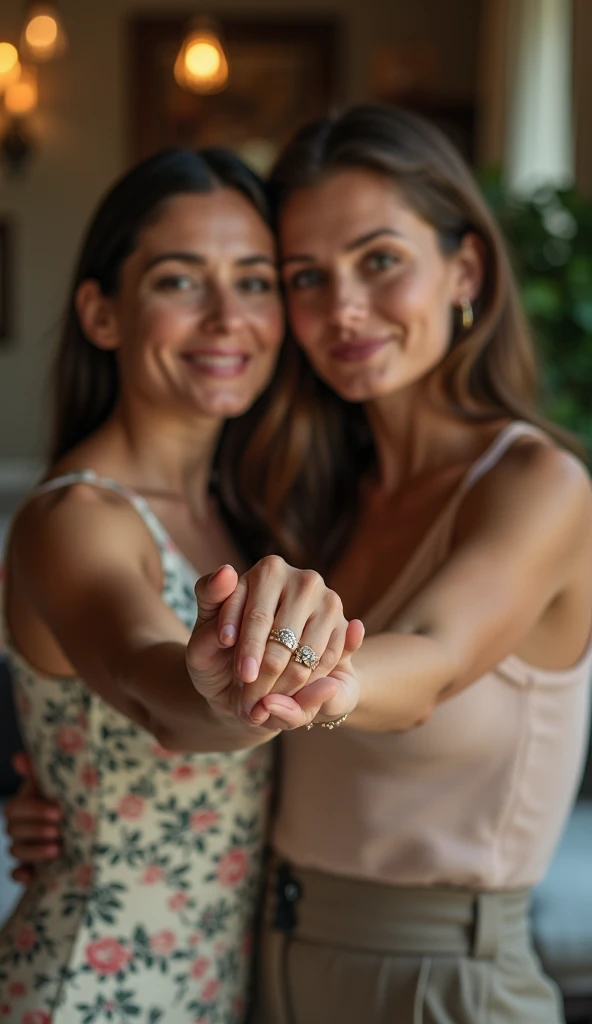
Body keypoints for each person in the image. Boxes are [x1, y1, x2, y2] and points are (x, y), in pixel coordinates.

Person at [8, 105, 592, 1023]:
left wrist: (303, 683)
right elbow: (141, 684)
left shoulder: (532, 485)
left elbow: (434, 660)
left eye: (380, 260)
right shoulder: (302, 501)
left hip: (433, 977)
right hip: (245, 969)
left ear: (466, 269)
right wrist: (64, 789)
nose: (343, 309)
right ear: (101, 313)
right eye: (307, 276)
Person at [0, 146, 362, 1023]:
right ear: (101, 314)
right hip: (95, 990)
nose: (227, 317)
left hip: (214, 979)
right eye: (178, 281)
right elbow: (149, 679)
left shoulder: (245, 513)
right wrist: (216, 688)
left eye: (255, 281)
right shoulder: (75, 518)